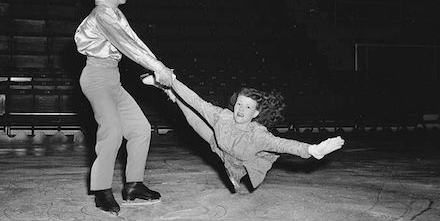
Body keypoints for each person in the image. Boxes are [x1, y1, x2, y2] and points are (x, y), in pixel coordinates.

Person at [74, 0, 175, 215]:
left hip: (113, 78)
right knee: (113, 130)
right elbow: (127, 46)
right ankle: (101, 190)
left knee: (140, 129)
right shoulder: (102, 14)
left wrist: (159, 71)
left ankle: (133, 185)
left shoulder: (116, 14)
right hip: (96, 77)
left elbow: (136, 42)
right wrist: (157, 67)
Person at [141, 73, 344, 193]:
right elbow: (196, 101)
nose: (240, 110)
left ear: (255, 113)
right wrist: (171, 79)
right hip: (218, 143)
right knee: (193, 118)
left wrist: (312, 150)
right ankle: (167, 90)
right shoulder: (223, 116)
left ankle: (170, 91)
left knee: (235, 168)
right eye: (239, 104)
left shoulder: (259, 135)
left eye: (247, 108)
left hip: (239, 160)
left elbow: (283, 144)